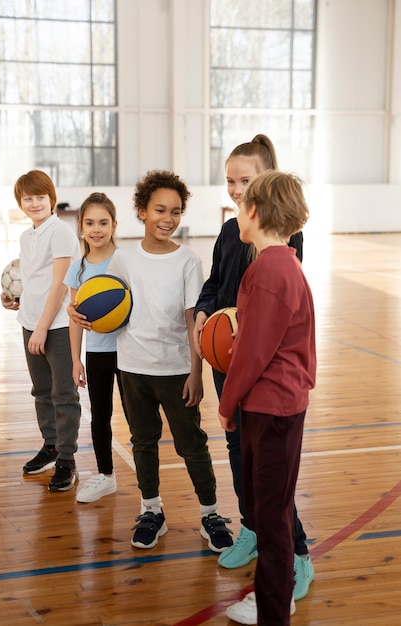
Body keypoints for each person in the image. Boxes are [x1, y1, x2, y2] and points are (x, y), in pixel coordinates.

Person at [193, 135, 314, 613]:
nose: (236, 195)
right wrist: (209, 314)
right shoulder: (242, 242)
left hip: (263, 390)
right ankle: (253, 530)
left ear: (262, 203)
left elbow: (260, 342)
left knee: (274, 498)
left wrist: (225, 403)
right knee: (255, 483)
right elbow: (218, 287)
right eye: (231, 183)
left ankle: (279, 589)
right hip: (247, 383)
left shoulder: (276, 263)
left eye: (246, 185)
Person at [105, 170, 233, 551]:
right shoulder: (124, 259)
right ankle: (151, 510)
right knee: (143, 442)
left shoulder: (188, 261)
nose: (168, 218)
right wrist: (83, 314)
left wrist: (197, 373)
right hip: (132, 367)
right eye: (160, 209)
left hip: (176, 370)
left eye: (176, 211)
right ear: (142, 211)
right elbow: (107, 305)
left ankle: (210, 513)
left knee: (191, 444)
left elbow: (194, 321)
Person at [1, 170, 81, 492]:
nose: (34, 203)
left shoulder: (60, 232)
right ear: (20, 202)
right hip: (30, 322)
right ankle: (50, 446)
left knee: (63, 394)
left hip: (57, 326)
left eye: (40, 197)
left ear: (52, 198)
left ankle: (67, 459)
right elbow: (34, 278)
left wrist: (42, 328)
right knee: (41, 390)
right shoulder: (27, 236)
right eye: (28, 198)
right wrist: (15, 299)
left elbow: (60, 286)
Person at [64, 192, 125, 503]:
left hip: (129, 350)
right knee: (100, 415)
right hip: (97, 352)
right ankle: (106, 476)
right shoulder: (78, 268)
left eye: (103, 222)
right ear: (81, 227)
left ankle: (149, 488)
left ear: (114, 224)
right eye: (90, 223)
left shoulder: (125, 261)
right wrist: (76, 360)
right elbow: (75, 318)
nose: (96, 229)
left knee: (137, 417)